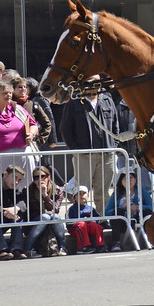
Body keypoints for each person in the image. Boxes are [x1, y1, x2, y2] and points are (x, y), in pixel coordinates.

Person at [59, 77, 118, 215]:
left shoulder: (107, 99)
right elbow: (65, 128)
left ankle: (103, 219)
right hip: (84, 156)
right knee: (81, 191)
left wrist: (113, 145)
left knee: (103, 192)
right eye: (88, 83)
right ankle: (81, 219)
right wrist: (76, 149)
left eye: (96, 83)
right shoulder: (74, 101)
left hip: (106, 155)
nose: (93, 86)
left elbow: (115, 124)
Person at [20, 165, 67, 257]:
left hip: (51, 222)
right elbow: (30, 211)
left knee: (55, 217)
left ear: (48, 177)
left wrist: (45, 195)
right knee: (45, 217)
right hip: (33, 223)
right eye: (36, 177)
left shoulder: (58, 190)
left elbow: (56, 209)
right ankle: (28, 248)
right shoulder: (28, 190)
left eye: (42, 176)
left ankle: (62, 247)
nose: (39, 179)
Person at [104, 171, 153, 252]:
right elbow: (107, 212)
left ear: (135, 180)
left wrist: (139, 207)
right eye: (125, 178)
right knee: (117, 212)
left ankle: (150, 239)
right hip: (122, 223)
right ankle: (116, 243)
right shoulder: (117, 194)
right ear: (121, 181)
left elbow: (152, 207)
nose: (128, 181)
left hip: (138, 220)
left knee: (147, 212)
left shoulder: (141, 191)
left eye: (131, 178)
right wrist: (122, 207)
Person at [66, 185, 107, 253]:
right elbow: (69, 222)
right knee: (82, 224)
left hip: (88, 227)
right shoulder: (72, 209)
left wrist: (91, 220)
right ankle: (83, 247)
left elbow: (98, 218)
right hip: (76, 228)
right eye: (79, 194)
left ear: (88, 196)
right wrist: (82, 220)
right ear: (74, 197)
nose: (82, 196)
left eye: (84, 193)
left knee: (96, 226)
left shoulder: (90, 208)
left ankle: (101, 245)